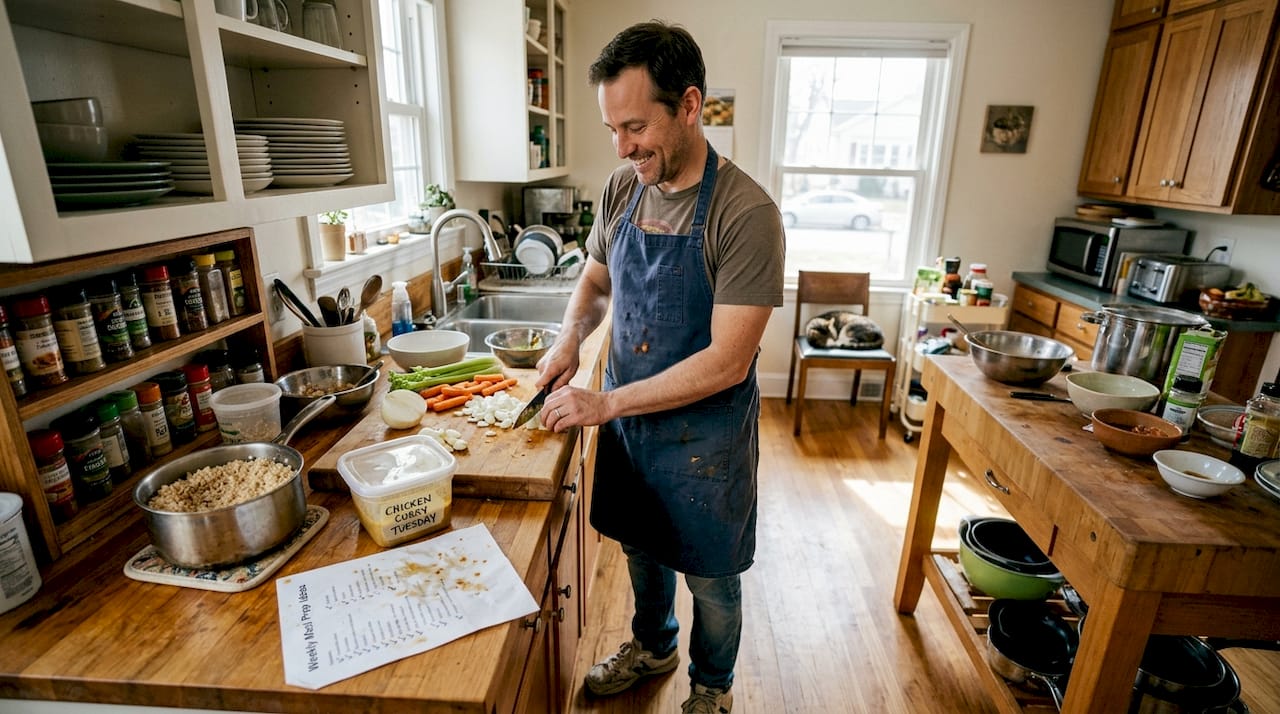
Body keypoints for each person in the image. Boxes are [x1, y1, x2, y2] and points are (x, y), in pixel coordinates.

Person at [532, 20, 785, 714]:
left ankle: (712, 688)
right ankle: (653, 646)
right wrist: (567, 344)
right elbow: (596, 283)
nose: (623, 148)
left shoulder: (745, 214)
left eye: (636, 126)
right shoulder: (622, 189)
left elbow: (728, 362)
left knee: (711, 578)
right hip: (631, 425)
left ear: (691, 106)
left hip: (706, 439)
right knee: (640, 550)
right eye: (613, 129)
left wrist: (605, 403)